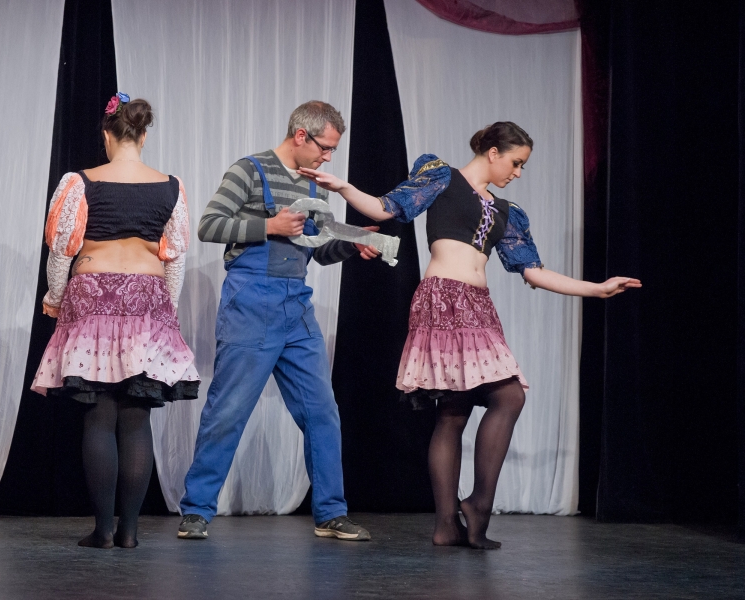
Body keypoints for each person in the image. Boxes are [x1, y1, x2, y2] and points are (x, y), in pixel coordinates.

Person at [299, 122, 641, 549]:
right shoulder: (441, 176)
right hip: (444, 298)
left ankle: (449, 525)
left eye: (523, 166)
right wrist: (344, 187)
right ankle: (475, 507)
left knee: (458, 410)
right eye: (515, 162)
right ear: (493, 152)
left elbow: (533, 271)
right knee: (501, 398)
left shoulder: (506, 212)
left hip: (479, 306)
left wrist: (596, 288)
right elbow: (386, 208)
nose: (517, 172)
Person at [177, 101, 377, 542]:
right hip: (251, 302)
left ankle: (330, 512)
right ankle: (196, 510)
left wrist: (352, 244)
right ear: (301, 135)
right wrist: (269, 226)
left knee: (322, 411)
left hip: (295, 305)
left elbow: (318, 250)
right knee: (228, 410)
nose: (328, 157)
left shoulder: (317, 186)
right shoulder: (249, 170)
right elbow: (209, 225)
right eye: (325, 147)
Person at [31, 94, 200, 549]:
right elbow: (175, 258)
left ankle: (103, 530)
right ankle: (130, 532)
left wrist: (56, 298)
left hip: (93, 296)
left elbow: (61, 251)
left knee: (99, 417)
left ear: (107, 135)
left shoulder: (80, 181)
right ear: (143, 136)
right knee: (136, 419)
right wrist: (167, 311)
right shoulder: (171, 186)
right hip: (148, 298)